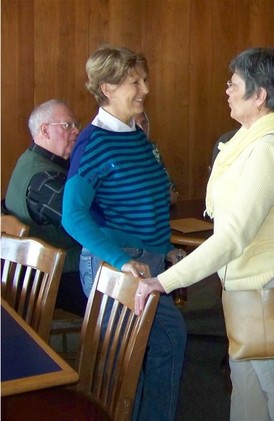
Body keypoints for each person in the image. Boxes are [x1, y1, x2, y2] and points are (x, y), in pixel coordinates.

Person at [133, 48, 274, 421]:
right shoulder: (251, 139)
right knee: (247, 388)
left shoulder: (266, 148)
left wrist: (164, 281)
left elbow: (231, 238)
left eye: (235, 84)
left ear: (259, 96)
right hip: (251, 282)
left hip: (266, 284)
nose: (227, 90)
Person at [62, 45, 187, 421]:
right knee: (131, 359)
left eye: (144, 80)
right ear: (107, 88)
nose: (145, 89)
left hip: (147, 260)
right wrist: (121, 260)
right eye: (135, 82)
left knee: (150, 351)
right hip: (118, 262)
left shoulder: (135, 136)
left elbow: (148, 202)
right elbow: (72, 216)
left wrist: (166, 247)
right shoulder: (94, 142)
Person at [5, 99, 87, 316]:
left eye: (76, 125)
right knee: (136, 292)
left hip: (39, 272)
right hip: (53, 279)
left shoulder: (31, 159)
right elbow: (83, 225)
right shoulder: (44, 179)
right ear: (45, 131)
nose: (76, 131)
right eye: (68, 125)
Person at [133, 111, 179, 204]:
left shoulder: (152, 149)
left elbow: (173, 194)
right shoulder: (122, 154)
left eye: (143, 123)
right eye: (135, 125)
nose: (141, 128)